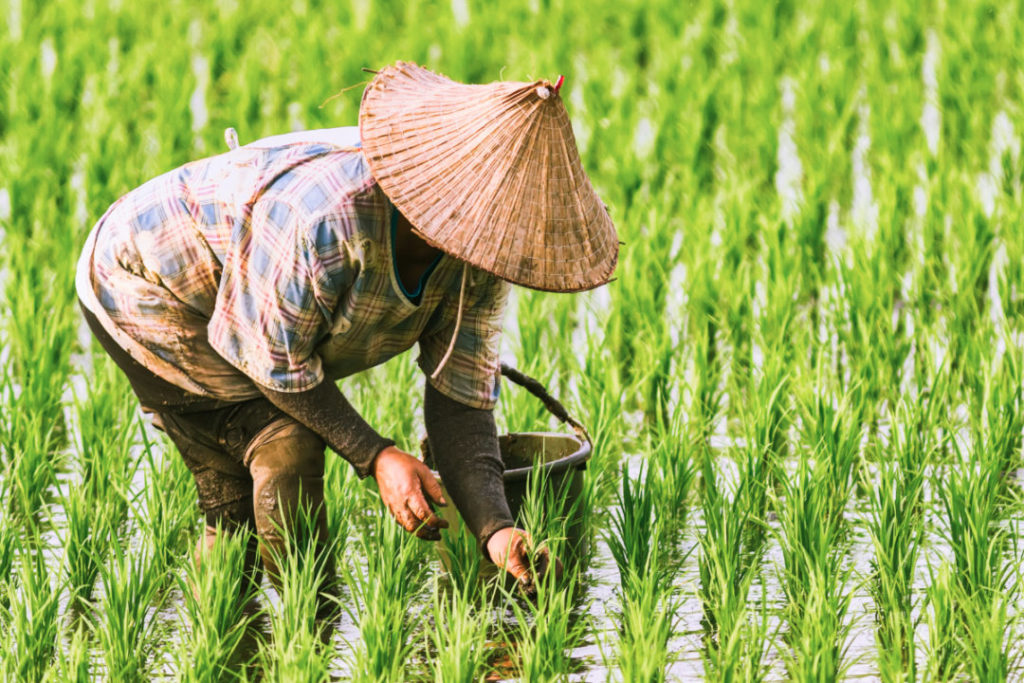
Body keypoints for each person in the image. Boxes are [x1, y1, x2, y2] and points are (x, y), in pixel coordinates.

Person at [75, 61, 618, 595]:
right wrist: (378, 455)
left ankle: (241, 640)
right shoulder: (327, 222)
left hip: (242, 306)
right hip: (143, 283)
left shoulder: (479, 263)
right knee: (283, 444)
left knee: (238, 506)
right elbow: (276, 362)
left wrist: (496, 530)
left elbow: (460, 402)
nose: (492, 242)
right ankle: (306, 634)